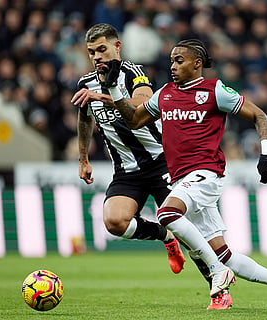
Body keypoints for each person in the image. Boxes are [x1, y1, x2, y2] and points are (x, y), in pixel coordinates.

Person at [97, 38, 267, 313]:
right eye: (172, 60)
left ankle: (216, 271)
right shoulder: (164, 94)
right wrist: (114, 89)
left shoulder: (214, 90)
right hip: (182, 179)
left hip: (206, 173)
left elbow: (259, 116)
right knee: (227, 256)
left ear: (197, 64)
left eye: (179, 60)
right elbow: (135, 119)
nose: (172, 66)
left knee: (167, 215)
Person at [70, 23, 203, 280]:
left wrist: (105, 98)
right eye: (91, 52)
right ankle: (165, 237)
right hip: (127, 171)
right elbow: (85, 118)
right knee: (114, 222)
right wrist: (83, 158)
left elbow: (144, 103)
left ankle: (217, 287)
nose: (96, 56)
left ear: (117, 47)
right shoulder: (86, 83)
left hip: (162, 163)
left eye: (101, 49)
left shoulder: (133, 72)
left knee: (188, 230)